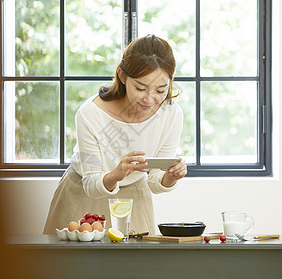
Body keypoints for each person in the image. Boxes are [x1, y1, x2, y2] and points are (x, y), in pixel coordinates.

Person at [43, 34, 187, 235]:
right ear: (122, 75)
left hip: (133, 197)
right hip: (82, 194)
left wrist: (170, 177)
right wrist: (116, 174)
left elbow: (154, 180)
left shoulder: (171, 114)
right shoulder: (90, 114)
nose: (149, 98)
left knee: (135, 265)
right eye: (140, 88)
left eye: (160, 90)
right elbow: (91, 183)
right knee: (71, 265)